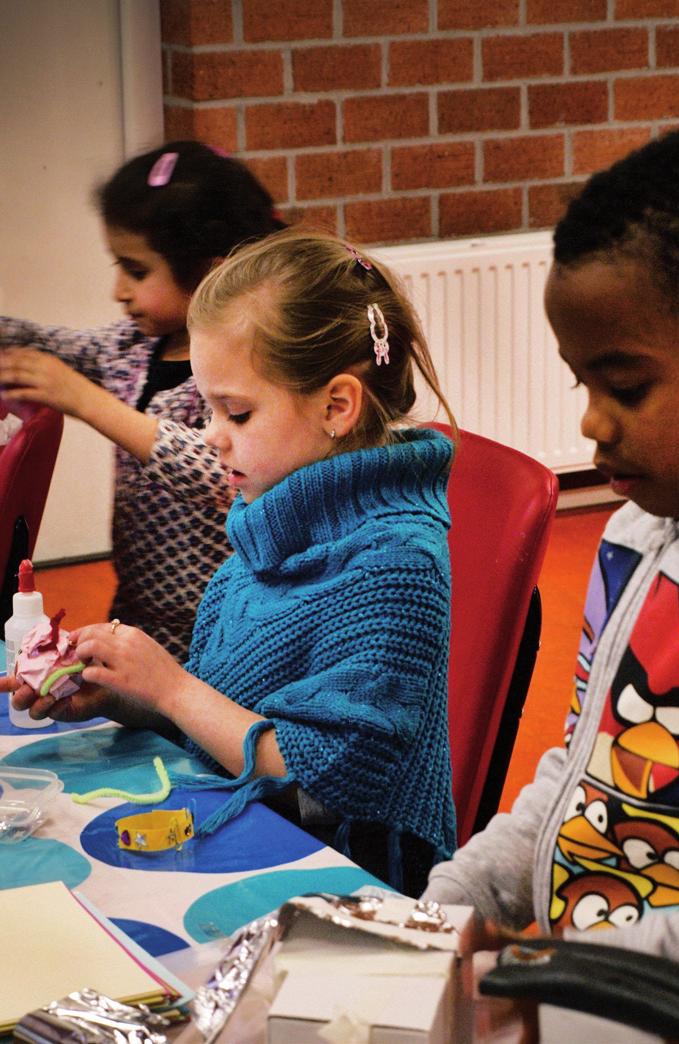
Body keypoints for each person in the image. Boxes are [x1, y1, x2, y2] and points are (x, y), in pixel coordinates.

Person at [5, 229, 459, 896]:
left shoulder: (396, 564)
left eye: (235, 412)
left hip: (346, 884)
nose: (211, 435)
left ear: (336, 406)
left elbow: (322, 774)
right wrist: (125, 695)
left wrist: (172, 689)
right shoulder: (275, 516)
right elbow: (231, 713)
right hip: (259, 831)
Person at [423, 123, 679, 969]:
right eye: (579, 382)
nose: (588, 421)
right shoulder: (627, 540)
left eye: (624, 385)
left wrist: (546, 980)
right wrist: (447, 903)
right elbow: (583, 768)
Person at [0, 141, 284, 661]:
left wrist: (84, 401)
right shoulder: (132, 347)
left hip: (217, 634)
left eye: (136, 271)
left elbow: (216, 470)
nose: (118, 291)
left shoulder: (243, 374)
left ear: (211, 272)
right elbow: (46, 343)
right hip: (137, 613)